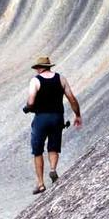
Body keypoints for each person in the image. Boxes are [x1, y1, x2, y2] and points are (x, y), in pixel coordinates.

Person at [22, 56, 82, 194]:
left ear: (40, 67)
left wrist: (27, 107)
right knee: (53, 147)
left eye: (37, 67)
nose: (36, 70)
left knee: (37, 150)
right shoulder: (61, 78)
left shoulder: (35, 81)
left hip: (41, 118)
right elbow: (71, 98)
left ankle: (41, 184)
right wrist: (77, 115)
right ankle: (53, 169)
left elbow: (31, 102)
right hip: (57, 117)